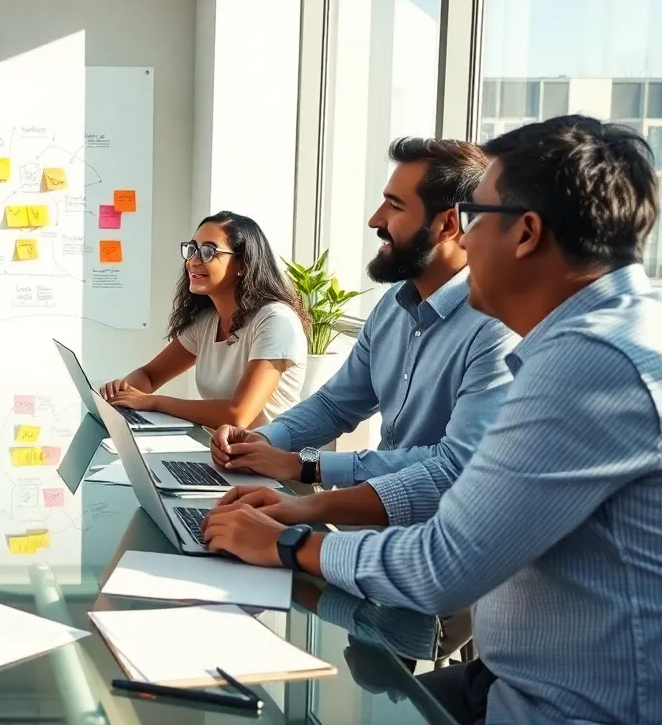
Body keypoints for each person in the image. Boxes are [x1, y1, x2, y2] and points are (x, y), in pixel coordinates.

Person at [203, 115, 662, 725]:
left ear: (525, 233)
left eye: (475, 219)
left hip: (566, 705)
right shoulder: (598, 336)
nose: (467, 244)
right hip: (509, 674)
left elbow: (440, 565)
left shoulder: (591, 364)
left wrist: (287, 540)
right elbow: (429, 461)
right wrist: (297, 498)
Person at [208, 138, 517, 494]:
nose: (375, 220)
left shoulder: (497, 328)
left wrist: (306, 466)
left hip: (428, 532)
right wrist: (261, 440)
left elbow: (456, 465)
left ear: (447, 226)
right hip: (372, 513)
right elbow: (335, 405)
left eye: (395, 206)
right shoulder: (392, 307)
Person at [99, 211, 309, 429]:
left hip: (267, 458)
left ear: (243, 265)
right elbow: (149, 376)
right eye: (192, 249)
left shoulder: (276, 321)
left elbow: (237, 416)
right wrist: (121, 396)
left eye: (208, 251)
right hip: (221, 453)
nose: (193, 261)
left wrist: (151, 402)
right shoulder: (207, 321)